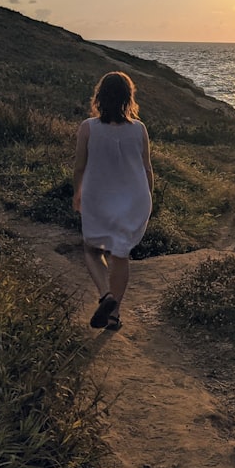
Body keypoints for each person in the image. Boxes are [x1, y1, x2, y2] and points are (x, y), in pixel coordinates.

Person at [72, 71, 154, 332]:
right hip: (134, 199)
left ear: (100, 97)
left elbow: (79, 167)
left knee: (91, 250)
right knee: (120, 255)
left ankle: (106, 295)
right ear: (128, 98)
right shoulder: (139, 129)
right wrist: (148, 199)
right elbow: (147, 168)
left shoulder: (88, 127)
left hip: (99, 198)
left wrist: (77, 193)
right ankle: (114, 315)